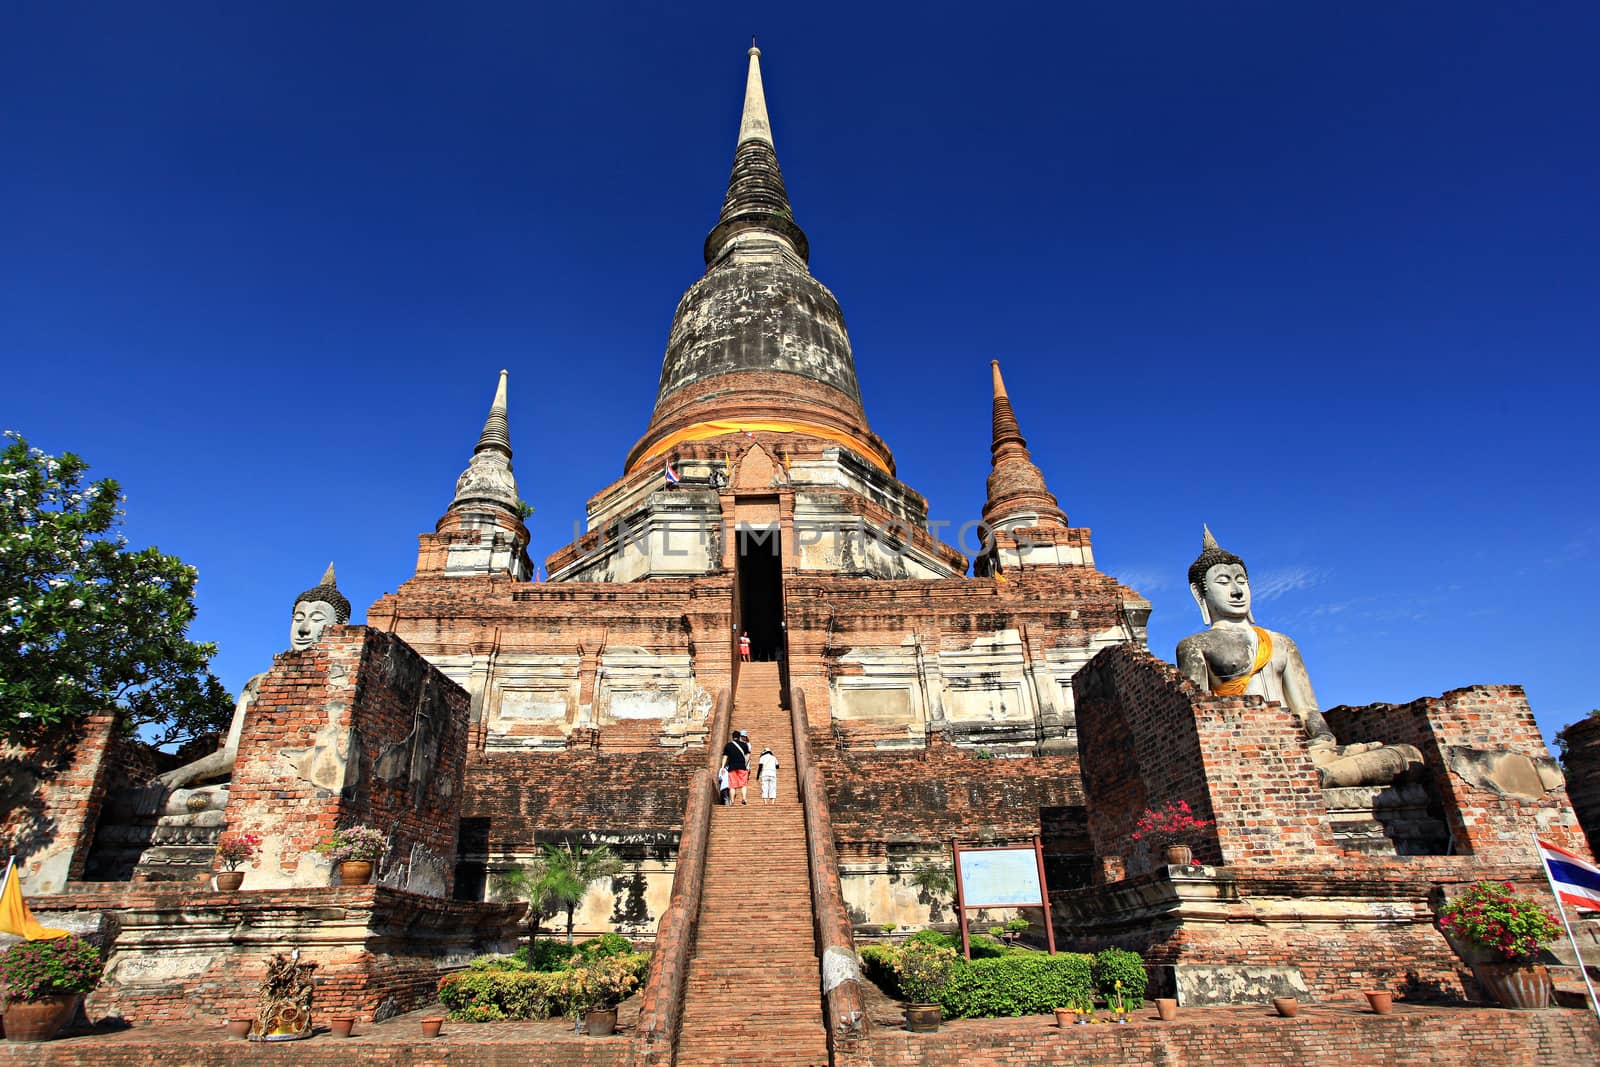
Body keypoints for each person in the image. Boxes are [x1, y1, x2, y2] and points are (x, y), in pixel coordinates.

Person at [1175, 526, 1421, 788]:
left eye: (1241, 581)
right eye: (1223, 582)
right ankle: (1312, 779)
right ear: (1199, 594)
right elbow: (1200, 715)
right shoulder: (1196, 646)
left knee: (1408, 755)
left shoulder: (1281, 643)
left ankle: (1310, 777)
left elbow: (1306, 711)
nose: (1236, 591)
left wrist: (1322, 738)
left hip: (1305, 748)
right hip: (1247, 747)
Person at [720, 730, 751, 806]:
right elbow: (748, 756)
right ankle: (743, 798)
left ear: (732, 737)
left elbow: (725, 757)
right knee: (743, 784)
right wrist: (745, 763)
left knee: (732, 785)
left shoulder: (728, 745)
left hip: (732, 767)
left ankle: (733, 801)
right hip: (742, 767)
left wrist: (723, 767)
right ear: (739, 737)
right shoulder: (744, 745)